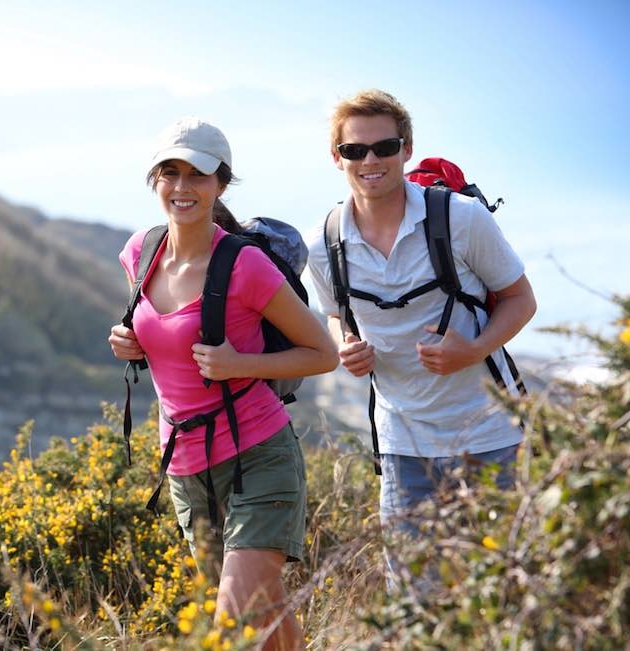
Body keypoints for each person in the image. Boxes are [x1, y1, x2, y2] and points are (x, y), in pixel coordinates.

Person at [108, 117, 338, 649]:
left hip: (259, 456)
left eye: (199, 175)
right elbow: (157, 332)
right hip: (186, 469)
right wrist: (129, 342)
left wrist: (240, 364)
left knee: (231, 622)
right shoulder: (138, 253)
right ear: (154, 180)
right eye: (170, 173)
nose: (182, 187)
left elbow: (322, 354)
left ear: (221, 185)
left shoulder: (247, 265)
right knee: (266, 615)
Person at [305, 89, 537, 586]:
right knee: (415, 599)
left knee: (506, 589)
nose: (370, 160)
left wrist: (473, 350)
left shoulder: (461, 218)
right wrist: (346, 343)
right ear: (336, 158)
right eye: (354, 150)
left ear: (406, 149)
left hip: (492, 434)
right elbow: (333, 313)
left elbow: (521, 299)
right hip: (402, 442)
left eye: (385, 147)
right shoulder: (324, 244)